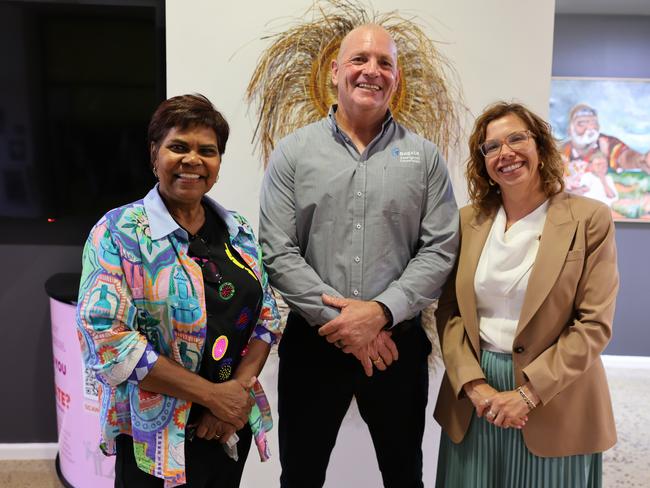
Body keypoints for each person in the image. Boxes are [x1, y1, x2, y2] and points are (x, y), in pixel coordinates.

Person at [259, 24, 459, 488]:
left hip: (397, 347)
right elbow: (277, 249)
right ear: (334, 72)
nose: (372, 71)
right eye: (359, 60)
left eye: (384, 63)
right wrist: (349, 325)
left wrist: (381, 313)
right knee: (301, 476)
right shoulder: (292, 154)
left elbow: (439, 248)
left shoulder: (425, 158)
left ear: (396, 78)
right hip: (314, 345)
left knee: (404, 474)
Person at [76, 94, 281, 487]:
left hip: (224, 427)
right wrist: (211, 396)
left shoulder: (237, 231)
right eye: (178, 147)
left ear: (218, 164)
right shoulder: (118, 233)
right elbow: (108, 341)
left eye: (207, 151)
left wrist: (233, 396)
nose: (193, 160)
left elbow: (268, 314)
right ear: (155, 154)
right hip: (154, 439)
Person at [434, 102, 618, 487]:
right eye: (492, 147)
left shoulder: (589, 218)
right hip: (476, 401)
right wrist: (472, 384)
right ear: (482, 161)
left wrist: (529, 394)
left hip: (555, 398)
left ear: (541, 146)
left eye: (517, 138)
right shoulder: (468, 221)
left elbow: (594, 325)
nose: (506, 153)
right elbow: (449, 312)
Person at [561, 103, 650, 173]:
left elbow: (624, 156)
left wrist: (641, 160)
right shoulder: (562, 150)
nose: (590, 128)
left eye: (593, 123)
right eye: (582, 123)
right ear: (570, 130)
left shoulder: (605, 143)